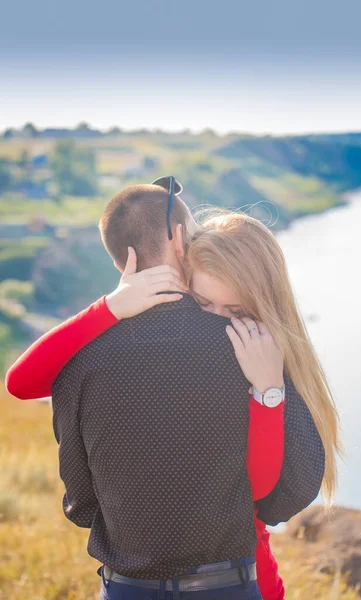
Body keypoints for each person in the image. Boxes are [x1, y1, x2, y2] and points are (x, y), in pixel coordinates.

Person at [6, 178, 338, 599]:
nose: (220, 319)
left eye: (232, 309)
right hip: (232, 578)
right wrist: (270, 392)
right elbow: (267, 490)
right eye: (206, 304)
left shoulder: (91, 353)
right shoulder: (245, 349)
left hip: (133, 584)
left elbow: (25, 387)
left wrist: (108, 309)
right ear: (181, 241)